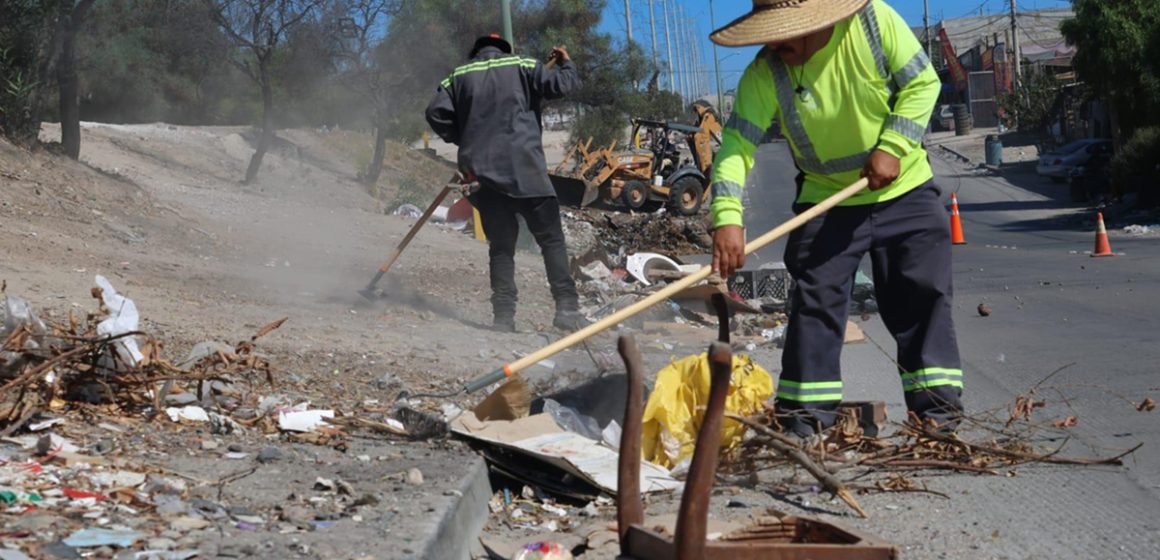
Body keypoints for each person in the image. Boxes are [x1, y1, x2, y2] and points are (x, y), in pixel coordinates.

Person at [708, 0, 964, 436]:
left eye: (783, 30)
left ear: (815, 22)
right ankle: (804, 423)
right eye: (767, 30)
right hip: (827, 201)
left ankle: (936, 417)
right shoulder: (765, 72)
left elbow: (922, 83)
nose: (773, 42)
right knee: (815, 302)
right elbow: (735, 146)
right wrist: (727, 217)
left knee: (921, 298)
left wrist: (894, 146)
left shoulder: (872, 23)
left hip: (904, 191)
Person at [426, 35, 588, 333]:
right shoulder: (524, 64)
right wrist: (566, 63)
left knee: (501, 248)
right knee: (551, 241)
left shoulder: (458, 75)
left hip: (483, 177)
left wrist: (464, 137)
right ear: (504, 50)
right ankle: (566, 308)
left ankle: (503, 318)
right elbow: (561, 86)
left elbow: (435, 113)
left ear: (476, 52)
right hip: (526, 172)